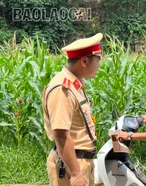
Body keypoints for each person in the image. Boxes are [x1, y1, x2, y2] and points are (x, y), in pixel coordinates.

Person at [42, 33, 103, 186]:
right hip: (71, 165)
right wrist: (76, 173)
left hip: (80, 161)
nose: (99, 65)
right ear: (84, 61)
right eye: (97, 60)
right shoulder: (63, 89)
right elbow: (61, 134)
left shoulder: (75, 84)